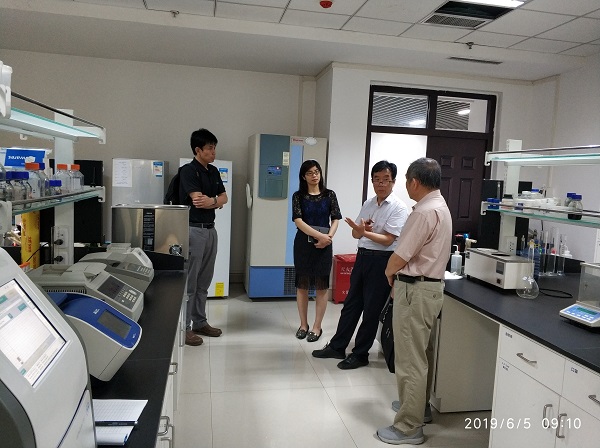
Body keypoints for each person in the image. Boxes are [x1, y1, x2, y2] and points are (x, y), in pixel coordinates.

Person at [376, 157, 452, 445]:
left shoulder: (423, 212)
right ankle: (420, 408)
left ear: (415, 182)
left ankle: (409, 426)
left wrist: (388, 271)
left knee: (410, 359)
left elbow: (401, 255)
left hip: (415, 290)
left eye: (406, 180)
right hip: (431, 290)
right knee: (422, 353)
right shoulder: (440, 206)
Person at [312, 160, 408, 369]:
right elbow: (356, 234)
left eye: (385, 179)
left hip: (382, 260)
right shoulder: (369, 203)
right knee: (351, 304)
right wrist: (360, 230)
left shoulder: (399, 207)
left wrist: (365, 232)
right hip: (363, 257)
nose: (380, 184)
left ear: (393, 181)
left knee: (371, 309)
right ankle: (337, 346)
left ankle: (361, 354)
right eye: (376, 179)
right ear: (372, 181)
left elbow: (388, 240)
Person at [180, 128, 228, 346]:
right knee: (190, 282)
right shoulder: (188, 171)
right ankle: (185, 327)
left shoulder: (214, 171)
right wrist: (215, 202)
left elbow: (224, 197)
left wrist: (214, 201)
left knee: (204, 280)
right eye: (210, 148)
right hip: (193, 230)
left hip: (210, 230)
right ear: (198, 150)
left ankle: (200, 321)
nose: (214, 151)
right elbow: (198, 200)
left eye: (214, 147)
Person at [292, 159, 342, 343]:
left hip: (324, 245)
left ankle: (317, 326)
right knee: (302, 285)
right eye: (310, 173)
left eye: (316, 172)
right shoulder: (298, 196)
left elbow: (336, 218)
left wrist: (328, 237)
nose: (314, 176)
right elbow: (298, 220)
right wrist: (319, 236)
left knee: (321, 286)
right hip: (303, 244)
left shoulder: (330, 195)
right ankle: (303, 325)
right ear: (303, 177)